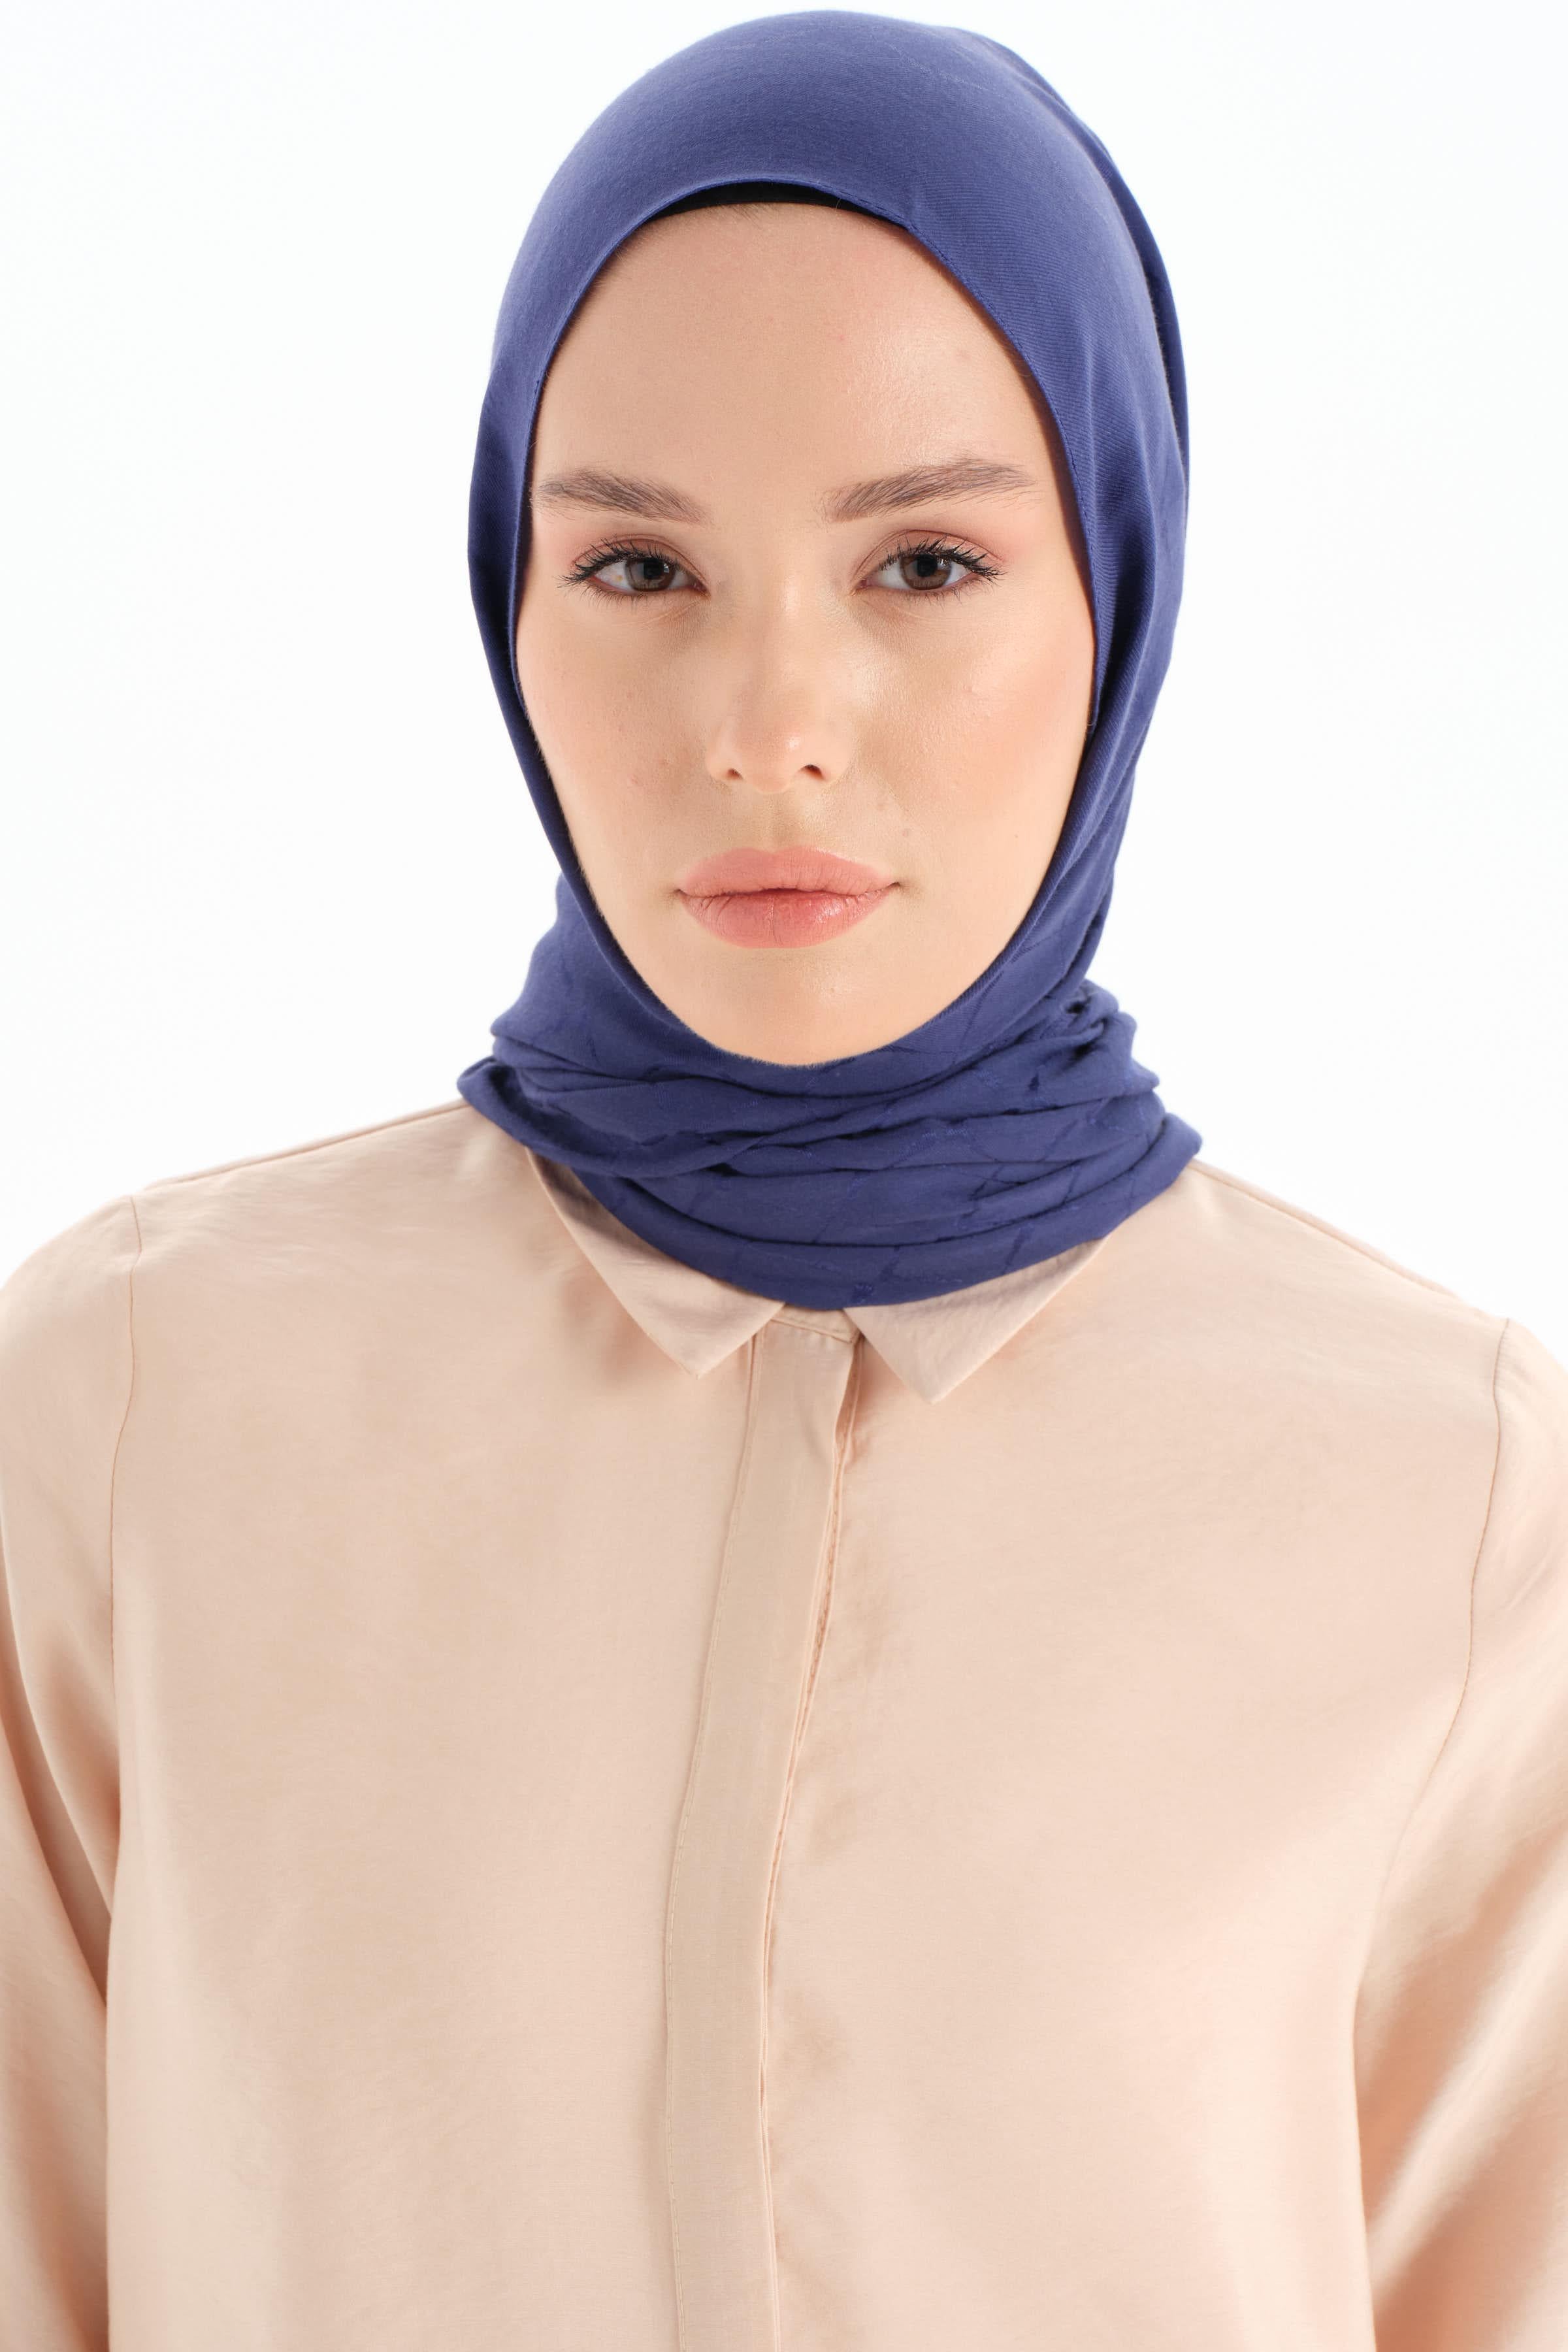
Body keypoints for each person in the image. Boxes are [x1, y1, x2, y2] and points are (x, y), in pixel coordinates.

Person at [2, 13, 1564, 2348]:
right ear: (509, 596)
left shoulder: (1461, 1501)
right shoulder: (137, 1404)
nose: (768, 727)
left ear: (1118, 590)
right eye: (640, 567)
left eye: (924, 561)